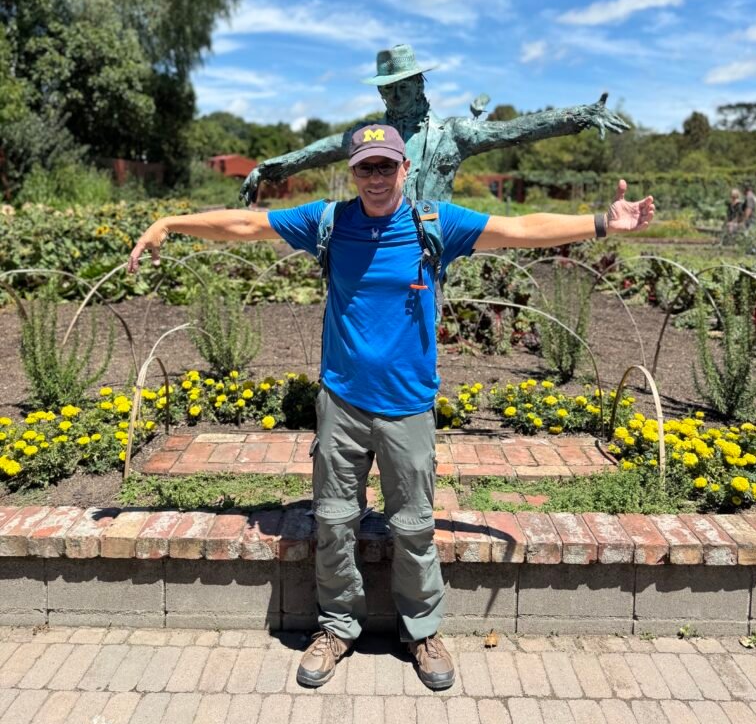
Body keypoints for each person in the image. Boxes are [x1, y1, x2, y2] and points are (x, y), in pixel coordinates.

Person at [127, 124, 654, 691]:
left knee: (415, 526)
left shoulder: (435, 224)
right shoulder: (329, 221)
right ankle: (337, 628)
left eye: (385, 166)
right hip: (342, 402)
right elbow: (247, 224)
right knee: (333, 522)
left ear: (405, 168)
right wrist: (169, 222)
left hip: (408, 407)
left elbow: (519, 228)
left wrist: (602, 222)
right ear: (352, 172)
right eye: (365, 167)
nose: (375, 178)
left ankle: (421, 631)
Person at [240, 44, 630, 205]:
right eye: (387, 89)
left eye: (403, 87)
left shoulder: (453, 134)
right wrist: (267, 168)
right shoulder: (370, 136)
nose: (395, 96)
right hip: (374, 247)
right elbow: (317, 151)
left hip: (429, 251)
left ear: (420, 85)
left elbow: (518, 129)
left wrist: (581, 115)